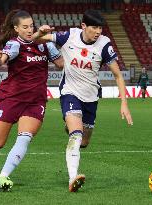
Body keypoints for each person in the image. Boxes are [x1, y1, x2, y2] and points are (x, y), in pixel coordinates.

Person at [34, 9, 133, 192]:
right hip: (69, 92)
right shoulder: (68, 36)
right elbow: (36, 41)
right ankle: (73, 177)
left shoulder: (104, 45)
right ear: (83, 26)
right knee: (76, 135)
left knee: (84, 141)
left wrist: (124, 103)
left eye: (100, 28)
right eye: (94, 27)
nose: (98, 32)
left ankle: (72, 127)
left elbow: (118, 75)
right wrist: (40, 33)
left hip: (91, 97)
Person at [0, 9, 63, 192]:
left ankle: (3, 177)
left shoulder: (45, 45)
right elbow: (2, 60)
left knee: (24, 139)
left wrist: (64, 43)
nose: (29, 30)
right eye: (25, 27)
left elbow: (61, 64)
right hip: (11, 98)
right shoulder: (14, 44)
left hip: (36, 101)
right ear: (16, 29)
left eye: (32, 26)